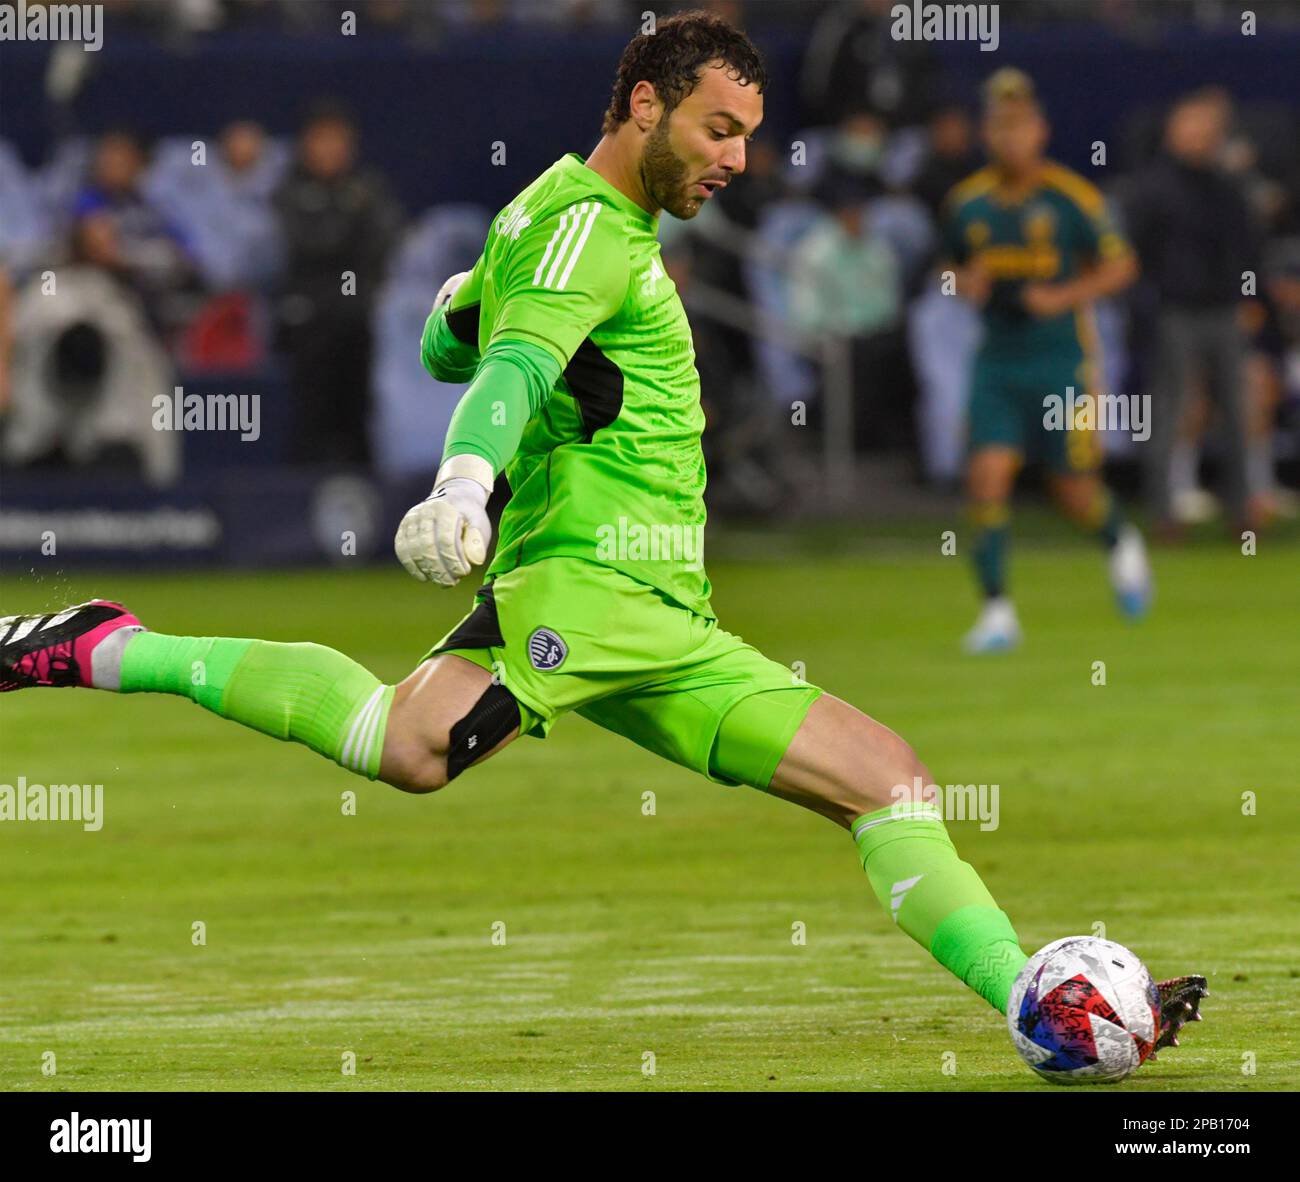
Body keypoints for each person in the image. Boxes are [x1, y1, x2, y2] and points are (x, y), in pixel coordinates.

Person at [0, 12, 1203, 1062]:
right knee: (409, 750)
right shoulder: (586, 229)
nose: (737, 159)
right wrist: (465, 484)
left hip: (669, 619)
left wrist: (460, 312)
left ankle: (1033, 1008)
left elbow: (450, 342)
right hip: (582, 589)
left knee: (887, 781)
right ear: (644, 103)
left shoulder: (563, 223)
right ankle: (112, 644)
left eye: (746, 134)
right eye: (719, 128)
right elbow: (510, 364)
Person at [941, 68, 1151, 653]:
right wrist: (965, 283)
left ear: (1041, 131)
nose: (1009, 138)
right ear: (988, 134)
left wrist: (1061, 296)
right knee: (986, 477)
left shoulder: (1072, 198)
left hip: (1062, 360)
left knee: (1072, 488)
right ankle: (997, 612)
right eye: (999, 127)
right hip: (998, 362)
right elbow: (947, 275)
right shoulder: (968, 205)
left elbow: (1121, 266)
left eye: (1019, 126)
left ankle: (1120, 541)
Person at [1124, 89, 1259, 538]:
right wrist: (1147, 306)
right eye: (1190, 127)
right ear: (1172, 130)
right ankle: (1163, 512)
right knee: (1171, 409)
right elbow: (1132, 254)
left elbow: (1245, 248)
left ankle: (1241, 511)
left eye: (1206, 129)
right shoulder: (1152, 188)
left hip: (1223, 311)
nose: (1199, 136)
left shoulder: (1226, 188)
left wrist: (1250, 298)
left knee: (1237, 412)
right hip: (1174, 312)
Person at [274, 102, 403, 467]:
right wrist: (347, 221)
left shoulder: (369, 188)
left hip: (356, 323)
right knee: (308, 423)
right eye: (321, 140)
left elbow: (384, 241)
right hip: (304, 326)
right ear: (305, 145)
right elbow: (308, 243)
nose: (329, 150)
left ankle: (363, 497)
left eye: (338, 141)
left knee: (357, 419)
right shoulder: (286, 192)